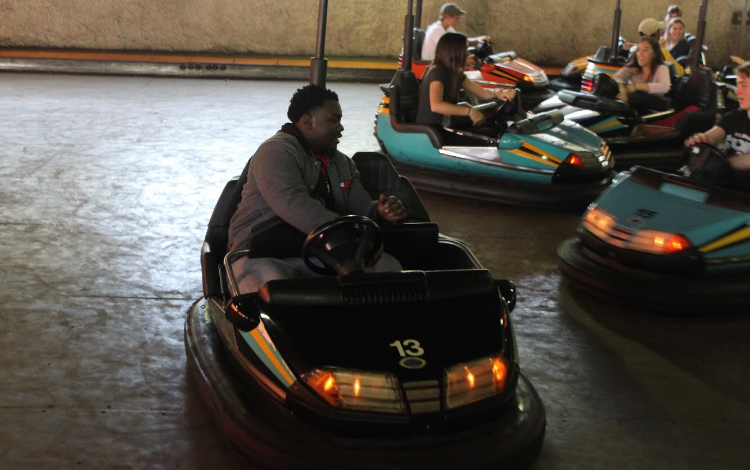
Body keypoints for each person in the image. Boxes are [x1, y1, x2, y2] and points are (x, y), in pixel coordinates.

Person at [228, 85, 407, 293]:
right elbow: (295, 205)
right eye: (334, 120)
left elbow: (360, 205)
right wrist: (350, 238)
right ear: (308, 121)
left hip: (325, 253)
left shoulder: (342, 163)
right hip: (262, 254)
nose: (341, 128)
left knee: (389, 269)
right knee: (276, 291)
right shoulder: (276, 151)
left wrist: (380, 211)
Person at [415, 32, 517, 131]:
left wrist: (499, 93)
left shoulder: (454, 73)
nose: (468, 53)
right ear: (454, 52)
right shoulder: (438, 71)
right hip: (432, 130)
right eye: (465, 49)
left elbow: (482, 92)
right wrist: (470, 111)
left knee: (492, 127)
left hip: (444, 126)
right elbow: (436, 106)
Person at [685, 62, 750, 171]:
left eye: (744, 85)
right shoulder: (734, 117)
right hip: (725, 181)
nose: (737, 92)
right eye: (737, 85)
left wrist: (719, 164)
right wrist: (702, 139)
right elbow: (715, 134)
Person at [614, 36, 671, 112]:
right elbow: (617, 77)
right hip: (633, 112)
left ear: (654, 53)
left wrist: (635, 87)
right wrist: (623, 89)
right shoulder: (633, 69)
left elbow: (664, 87)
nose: (640, 54)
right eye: (638, 50)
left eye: (645, 50)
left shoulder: (661, 68)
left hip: (653, 113)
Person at [421, 3, 491, 61]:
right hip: (431, 65)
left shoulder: (448, 29)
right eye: (456, 18)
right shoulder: (436, 30)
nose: (458, 21)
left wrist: (478, 40)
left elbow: (460, 42)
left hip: (442, 62)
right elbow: (451, 49)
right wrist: (467, 57)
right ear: (447, 17)